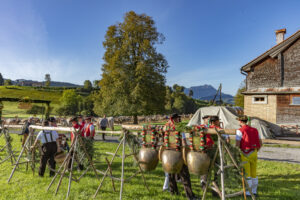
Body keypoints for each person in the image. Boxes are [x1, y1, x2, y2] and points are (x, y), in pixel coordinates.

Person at [163, 113, 196, 200]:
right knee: (185, 175)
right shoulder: (179, 128)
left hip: (169, 153)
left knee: (171, 173)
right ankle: (190, 196)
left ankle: (173, 192)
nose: (178, 120)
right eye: (177, 119)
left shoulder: (165, 127)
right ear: (174, 119)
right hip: (178, 153)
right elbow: (184, 141)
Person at [236, 115, 262, 197]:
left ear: (240, 121)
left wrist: (237, 153)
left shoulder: (239, 130)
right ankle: (254, 191)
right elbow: (260, 143)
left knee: (247, 174)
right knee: (254, 173)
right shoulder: (255, 130)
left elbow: (237, 145)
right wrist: (256, 151)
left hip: (244, 153)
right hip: (254, 152)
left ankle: (248, 193)